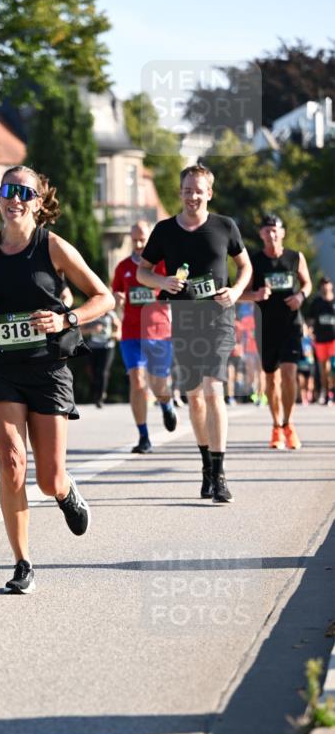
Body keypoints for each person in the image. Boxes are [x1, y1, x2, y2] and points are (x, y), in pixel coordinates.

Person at [0, 164, 113, 594]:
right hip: (3, 367)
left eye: (24, 191)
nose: (14, 198)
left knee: (48, 478)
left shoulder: (54, 247)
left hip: (48, 369)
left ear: (38, 203)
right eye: (8, 189)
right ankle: (22, 562)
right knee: (10, 464)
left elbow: (104, 297)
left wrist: (67, 318)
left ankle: (65, 492)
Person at [137, 164, 252, 503]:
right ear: (181, 192)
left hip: (219, 317)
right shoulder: (164, 231)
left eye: (198, 190)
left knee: (213, 390)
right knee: (194, 396)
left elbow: (245, 266)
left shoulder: (225, 226)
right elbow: (143, 272)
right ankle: (206, 465)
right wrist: (163, 281)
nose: (192, 196)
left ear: (209, 193)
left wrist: (236, 290)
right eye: (187, 190)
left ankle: (220, 474)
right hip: (184, 319)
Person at [241, 214, 311, 449]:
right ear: (261, 234)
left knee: (290, 373)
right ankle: (276, 426)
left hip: (290, 324)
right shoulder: (254, 261)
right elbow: (242, 292)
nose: (271, 234)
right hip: (266, 326)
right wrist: (256, 295)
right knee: (271, 378)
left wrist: (301, 296)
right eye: (266, 231)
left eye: (275, 230)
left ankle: (289, 424)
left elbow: (307, 283)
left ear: (282, 233)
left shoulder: (295, 257)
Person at [112, 220, 176, 451]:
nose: (139, 244)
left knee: (159, 385)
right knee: (138, 382)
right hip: (131, 332)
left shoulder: (162, 265)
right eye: (135, 239)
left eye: (143, 239)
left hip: (159, 331)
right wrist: (117, 299)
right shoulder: (122, 267)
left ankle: (167, 405)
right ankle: (144, 436)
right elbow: (116, 293)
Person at [82, 310, 120, 407]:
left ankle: (100, 396)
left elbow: (118, 330)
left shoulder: (111, 314)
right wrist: (92, 329)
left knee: (103, 371)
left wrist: (115, 334)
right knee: (93, 372)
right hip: (92, 347)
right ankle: (94, 393)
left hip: (107, 346)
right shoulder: (92, 312)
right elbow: (81, 330)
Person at [308, 276, 335, 404]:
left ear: (331, 286)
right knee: (323, 369)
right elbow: (310, 320)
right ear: (320, 287)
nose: (325, 286)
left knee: (333, 366)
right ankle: (326, 392)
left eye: (327, 283)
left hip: (333, 339)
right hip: (320, 339)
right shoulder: (316, 302)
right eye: (323, 284)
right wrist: (310, 331)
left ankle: (332, 391)